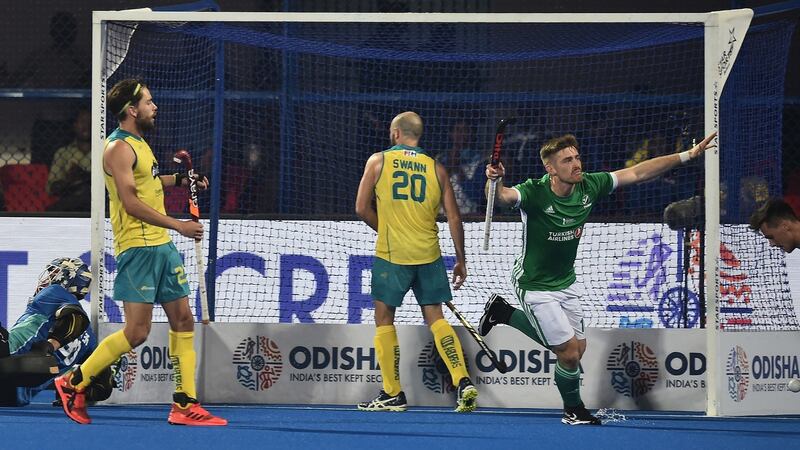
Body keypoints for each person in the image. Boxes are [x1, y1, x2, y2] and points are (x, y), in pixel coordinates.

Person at [478, 131, 716, 425]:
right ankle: (573, 410)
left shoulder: (591, 185)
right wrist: (496, 180)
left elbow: (638, 172)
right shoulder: (534, 192)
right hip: (533, 284)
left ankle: (504, 313)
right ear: (550, 168)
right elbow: (501, 197)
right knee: (568, 354)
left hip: (565, 281)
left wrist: (686, 155)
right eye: (567, 160)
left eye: (577, 157)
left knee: (578, 349)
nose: (576, 164)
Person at [53, 78, 226, 426]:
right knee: (137, 332)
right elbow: (130, 201)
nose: (154, 106)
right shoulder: (117, 148)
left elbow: (147, 181)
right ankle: (73, 382)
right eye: (148, 102)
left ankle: (183, 404)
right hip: (139, 249)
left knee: (183, 320)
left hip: (160, 247)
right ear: (132, 110)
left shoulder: (140, 144)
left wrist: (181, 180)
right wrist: (179, 225)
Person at [355, 111, 478, 412]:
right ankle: (462, 381)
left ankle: (392, 393)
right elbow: (454, 216)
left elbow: (360, 208)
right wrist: (460, 259)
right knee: (436, 318)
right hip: (430, 254)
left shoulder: (378, 160)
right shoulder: (437, 168)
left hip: (392, 254)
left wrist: (387, 230)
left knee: (384, 320)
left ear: (396, 133)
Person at [0, 257, 114, 407]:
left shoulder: (54, 291)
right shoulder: (90, 340)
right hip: (17, 396)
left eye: (53, 273)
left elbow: (77, 316)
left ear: (68, 278)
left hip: (9, 357)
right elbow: (104, 387)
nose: (48, 278)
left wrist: (50, 345)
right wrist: (74, 390)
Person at [47, 107, 91, 212]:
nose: (87, 125)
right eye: (83, 121)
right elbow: (52, 187)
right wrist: (69, 180)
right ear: (75, 125)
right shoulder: (63, 153)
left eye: (91, 121)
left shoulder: (105, 151)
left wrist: (84, 175)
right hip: (71, 201)